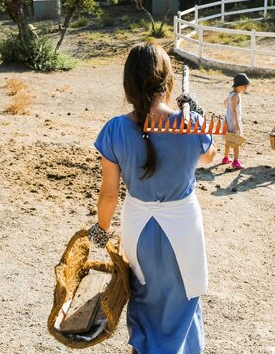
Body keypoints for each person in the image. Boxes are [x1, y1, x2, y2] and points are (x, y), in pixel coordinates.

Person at [89, 41, 216, 354]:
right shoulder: (192, 124)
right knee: (184, 300)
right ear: (168, 82)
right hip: (183, 227)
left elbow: (108, 194)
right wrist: (197, 114)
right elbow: (210, 158)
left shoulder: (115, 129)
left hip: (138, 228)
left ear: (128, 84)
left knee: (145, 298)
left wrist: (100, 230)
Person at [222, 73, 250, 169]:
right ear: (239, 85)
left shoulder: (231, 94)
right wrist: (237, 124)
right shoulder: (236, 96)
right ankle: (236, 161)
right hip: (234, 121)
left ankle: (226, 158)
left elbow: (225, 103)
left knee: (228, 139)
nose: (246, 88)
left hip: (228, 119)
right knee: (235, 141)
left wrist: (228, 109)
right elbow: (234, 110)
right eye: (244, 86)